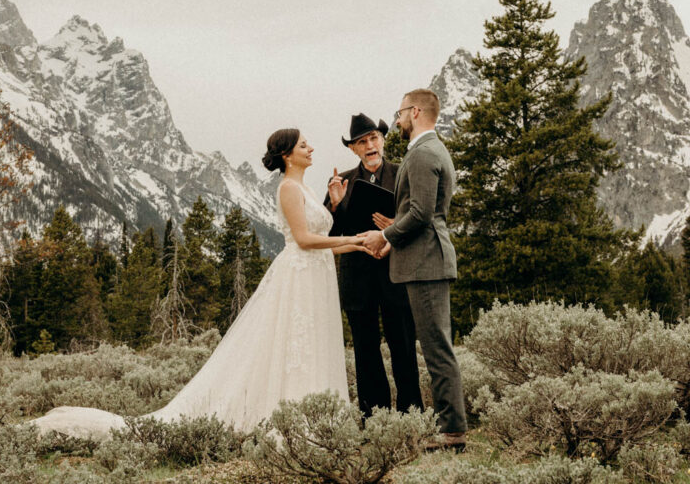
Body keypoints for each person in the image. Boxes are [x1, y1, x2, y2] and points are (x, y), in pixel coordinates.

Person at [31, 128, 368, 440]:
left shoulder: (308, 188)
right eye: (303, 145)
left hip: (316, 274)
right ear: (286, 155)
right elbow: (303, 239)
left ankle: (315, 415)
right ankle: (294, 419)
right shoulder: (288, 188)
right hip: (299, 272)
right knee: (297, 342)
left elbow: (320, 230)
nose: (311, 148)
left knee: (313, 340)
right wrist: (355, 242)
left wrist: (335, 206)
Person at [361, 89, 467, 452]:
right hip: (422, 258)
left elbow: (421, 213)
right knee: (437, 345)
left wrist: (384, 235)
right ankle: (450, 428)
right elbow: (421, 212)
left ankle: (452, 431)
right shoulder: (426, 150)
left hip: (427, 262)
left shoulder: (423, 154)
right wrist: (392, 240)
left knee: (437, 348)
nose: (398, 118)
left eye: (401, 112)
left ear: (416, 112)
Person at [323, 113, 423, 418]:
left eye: (374, 138)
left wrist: (395, 226)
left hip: (396, 274)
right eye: (362, 141)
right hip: (357, 278)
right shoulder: (342, 182)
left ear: (383, 140)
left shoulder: (403, 174)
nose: (370, 145)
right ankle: (374, 417)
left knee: (403, 347)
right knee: (366, 353)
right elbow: (329, 234)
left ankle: (411, 416)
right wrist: (337, 204)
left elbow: (420, 218)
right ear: (353, 149)